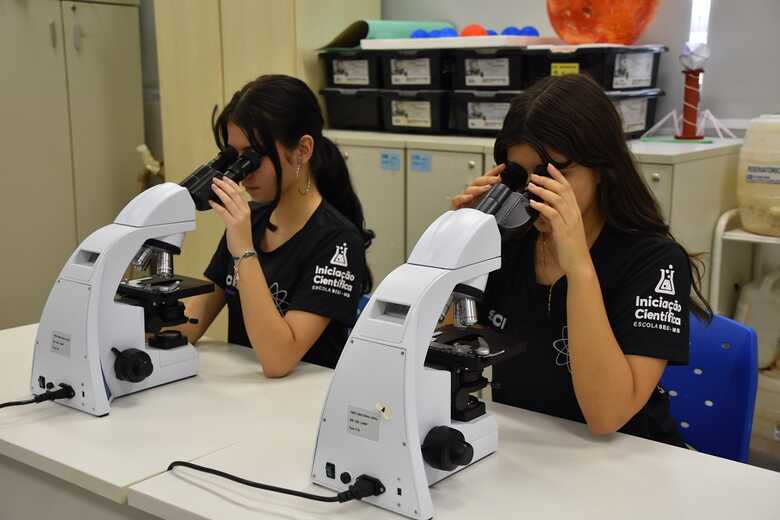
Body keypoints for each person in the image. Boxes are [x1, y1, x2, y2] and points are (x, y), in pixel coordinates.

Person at [451, 74, 711, 446]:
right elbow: (453, 352)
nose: (534, 192)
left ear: (603, 169)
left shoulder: (654, 261)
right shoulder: (509, 243)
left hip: (628, 458)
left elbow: (607, 416)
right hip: (533, 447)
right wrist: (459, 254)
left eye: (555, 174)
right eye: (521, 175)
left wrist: (578, 265)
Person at [176, 75, 373, 377]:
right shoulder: (251, 221)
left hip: (303, 407)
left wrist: (243, 250)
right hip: (250, 402)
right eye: (236, 157)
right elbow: (190, 324)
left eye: (254, 156)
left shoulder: (338, 241)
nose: (243, 173)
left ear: (302, 150)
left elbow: (278, 359)